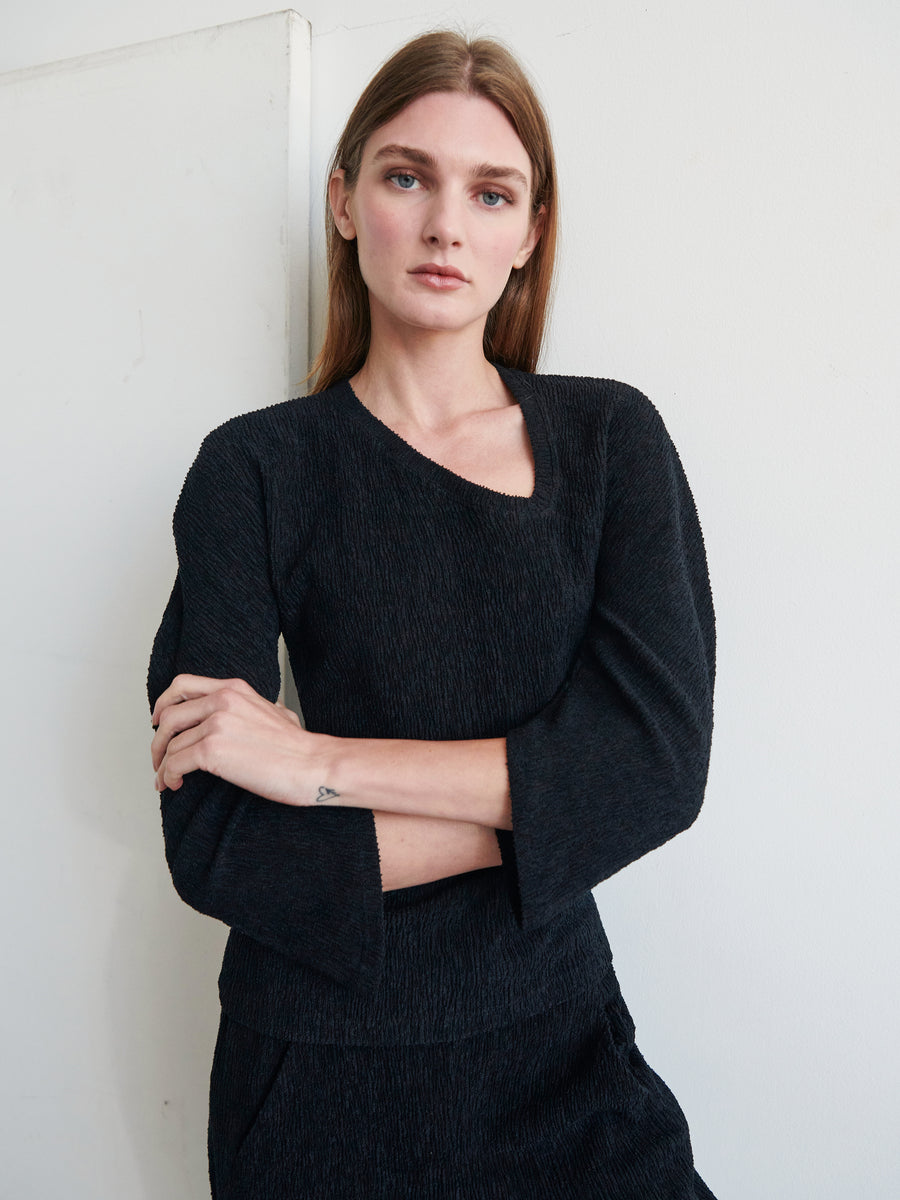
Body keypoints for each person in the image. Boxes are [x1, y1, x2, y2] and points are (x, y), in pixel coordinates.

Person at [148, 29, 717, 1200]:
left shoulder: (609, 442)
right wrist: (552, 807)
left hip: (561, 1052)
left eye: (490, 191)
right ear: (346, 202)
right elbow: (220, 844)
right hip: (312, 1079)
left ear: (531, 231)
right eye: (408, 176)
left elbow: (657, 768)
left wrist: (316, 763)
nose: (447, 224)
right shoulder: (254, 470)